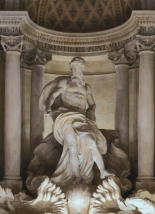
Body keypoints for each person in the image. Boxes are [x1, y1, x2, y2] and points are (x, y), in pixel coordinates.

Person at [37, 56, 112, 186]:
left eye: (80, 67)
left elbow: (92, 104)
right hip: (66, 116)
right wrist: (48, 107)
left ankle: (103, 170)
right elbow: (52, 96)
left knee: (91, 141)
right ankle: (76, 176)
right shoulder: (65, 82)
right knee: (72, 146)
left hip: (81, 118)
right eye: (75, 67)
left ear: (83, 69)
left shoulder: (87, 87)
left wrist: (91, 113)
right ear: (71, 68)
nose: (78, 70)